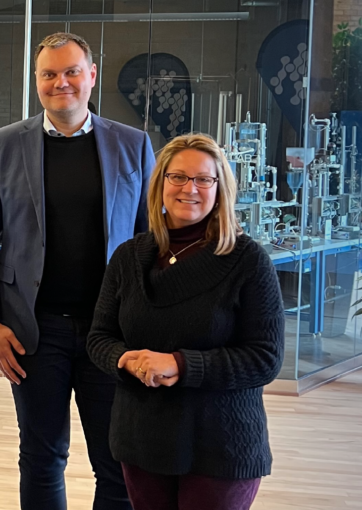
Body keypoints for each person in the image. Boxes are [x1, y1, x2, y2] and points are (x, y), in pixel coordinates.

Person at [0, 32, 156, 510]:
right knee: (42, 456)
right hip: (35, 330)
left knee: (117, 460)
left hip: (110, 332)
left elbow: (151, 240)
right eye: (49, 74)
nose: (61, 82)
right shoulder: (3, 144)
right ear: (37, 82)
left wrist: (149, 325)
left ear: (92, 76)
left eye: (72, 71)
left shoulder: (132, 144)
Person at [86, 133, 285, 510]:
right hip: (142, 438)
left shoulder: (248, 260)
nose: (188, 188)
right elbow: (100, 337)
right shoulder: (128, 257)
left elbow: (264, 358)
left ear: (220, 188)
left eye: (203, 179)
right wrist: (123, 360)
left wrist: (181, 364)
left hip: (220, 442)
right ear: (159, 183)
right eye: (177, 177)